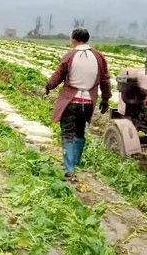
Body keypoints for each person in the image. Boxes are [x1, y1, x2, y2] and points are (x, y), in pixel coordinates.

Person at [45, 28, 112, 180]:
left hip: (70, 101)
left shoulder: (70, 55)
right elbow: (105, 80)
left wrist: (48, 86)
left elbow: (58, 75)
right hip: (88, 102)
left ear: (73, 40)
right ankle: (75, 161)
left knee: (67, 132)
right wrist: (105, 99)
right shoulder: (99, 57)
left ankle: (70, 168)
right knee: (80, 131)